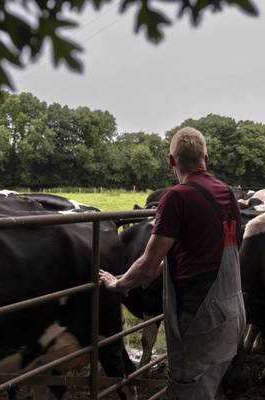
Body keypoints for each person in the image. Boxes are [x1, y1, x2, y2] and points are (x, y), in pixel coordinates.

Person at [99, 126, 246, 399]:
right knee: (215, 382)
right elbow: (218, 251)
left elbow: (147, 264)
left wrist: (117, 282)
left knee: (189, 388)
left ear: (171, 161)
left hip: (200, 315)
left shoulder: (176, 197)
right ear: (207, 157)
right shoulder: (227, 193)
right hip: (233, 308)